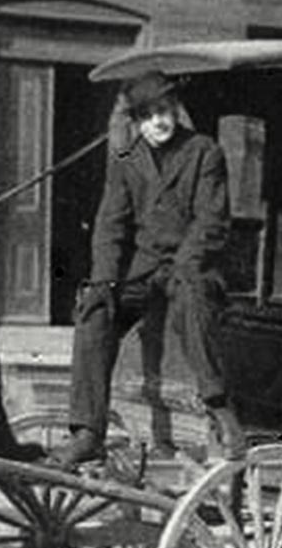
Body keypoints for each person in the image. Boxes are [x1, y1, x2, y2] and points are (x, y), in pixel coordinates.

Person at [48, 70, 245, 466]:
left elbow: (211, 222)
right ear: (136, 120)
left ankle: (219, 407)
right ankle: (88, 431)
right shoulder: (126, 159)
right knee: (94, 312)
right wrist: (103, 280)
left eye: (165, 111)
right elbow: (111, 223)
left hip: (191, 266)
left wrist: (185, 265)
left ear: (175, 111)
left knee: (192, 299)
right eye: (148, 115)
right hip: (141, 272)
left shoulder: (204, 152)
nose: (158, 121)